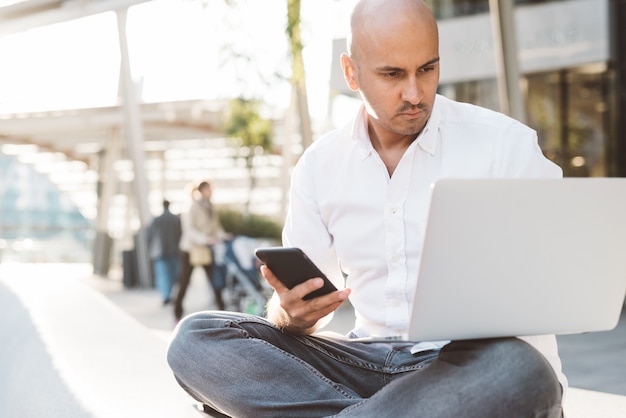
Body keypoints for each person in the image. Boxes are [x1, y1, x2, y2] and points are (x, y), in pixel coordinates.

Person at [167, 1, 566, 416]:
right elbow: (303, 311)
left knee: (520, 370)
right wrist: (291, 314)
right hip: (365, 363)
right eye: (393, 74)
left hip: (469, 366)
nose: (414, 93)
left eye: (427, 69)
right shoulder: (319, 166)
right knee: (198, 339)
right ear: (351, 72)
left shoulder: (504, 146)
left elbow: (556, 275)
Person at [173, 180, 226, 321]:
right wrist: (205, 239)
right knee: (184, 282)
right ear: (202, 190)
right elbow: (189, 230)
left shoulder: (210, 207)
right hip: (190, 250)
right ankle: (177, 313)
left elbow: (216, 227)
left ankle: (223, 309)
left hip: (205, 250)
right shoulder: (192, 206)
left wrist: (222, 235)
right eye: (209, 189)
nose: (211, 191)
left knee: (214, 279)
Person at [146, 199, 182, 305]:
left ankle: (166, 295)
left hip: (160, 252)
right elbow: (180, 234)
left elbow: (150, 236)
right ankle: (171, 294)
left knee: (163, 275)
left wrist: (150, 250)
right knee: (173, 274)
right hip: (174, 251)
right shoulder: (175, 219)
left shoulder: (156, 219)